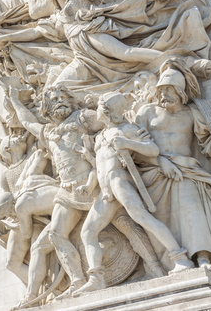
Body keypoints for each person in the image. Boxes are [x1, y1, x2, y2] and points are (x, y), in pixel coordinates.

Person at [0, 0, 211, 90]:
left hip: (93, 34)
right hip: (83, 57)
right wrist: (3, 37)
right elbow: (34, 31)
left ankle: (182, 62)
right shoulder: (57, 19)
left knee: (128, 53)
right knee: (55, 88)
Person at [73, 92, 194, 296]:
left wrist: (128, 143)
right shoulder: (99, 137)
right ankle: (96, 278)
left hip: (120, 182)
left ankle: (181, 258)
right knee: (88, 231)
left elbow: (152, 150)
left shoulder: (127, 129)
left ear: (107, 110)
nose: (97, 111)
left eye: (100, 107)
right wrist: (88, 184)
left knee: (143, 218)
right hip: (105, 191)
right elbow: (98, 166)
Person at [9, 84, 103, 304]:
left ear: (71, 100)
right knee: (55, 235)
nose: (59, 100)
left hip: (93, 184)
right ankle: (78, 281)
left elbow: (110, 118)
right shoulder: (49, 132)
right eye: (53, 99)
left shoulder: (83, 117)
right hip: (68, 192)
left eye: (62, 96)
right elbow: (27, 122)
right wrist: (14, 99)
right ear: (47, 109)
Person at [135, 58, 211, 271]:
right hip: (154, 173)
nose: (163, 94)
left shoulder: (192, 113)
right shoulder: (147, 112)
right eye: (161, 90)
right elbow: (136, 145)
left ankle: (203, 257)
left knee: (190, 204)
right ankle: (173, 260)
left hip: (187, 172)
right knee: (162, 218)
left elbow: (208, 145)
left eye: (169, 90)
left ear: (181, 92)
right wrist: (160, 161)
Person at [0, 134, 59, 284]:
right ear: (8, 149)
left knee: (38, 252)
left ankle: (43, 286)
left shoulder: (32, 156)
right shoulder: (6, 176)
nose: (19, 136)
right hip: (18, 219)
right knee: (11, 263)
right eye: (12, 137)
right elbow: (4, 205)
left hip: (38, 216)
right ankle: (40, 287)